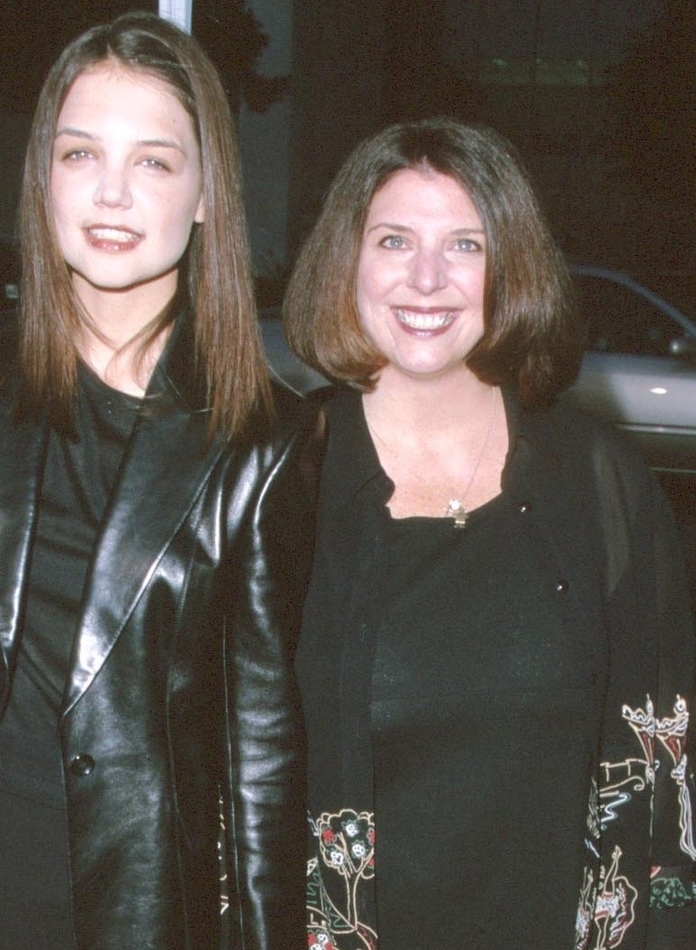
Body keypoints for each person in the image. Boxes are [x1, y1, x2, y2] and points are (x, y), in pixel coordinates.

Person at [0, 13, 322, 950]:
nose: (113, 193)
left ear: (208, 192)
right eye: (80, 153)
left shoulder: (263, 440)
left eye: (156, 162)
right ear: (42, 177)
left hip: (133, 901)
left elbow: (261, 745)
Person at [283, 117, 696, 949]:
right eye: (394, 240)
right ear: (347, 264)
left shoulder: (600, 481)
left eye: (466, 245)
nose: (427, 278)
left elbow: (668, 764)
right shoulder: (280, 487)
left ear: (511, 269)